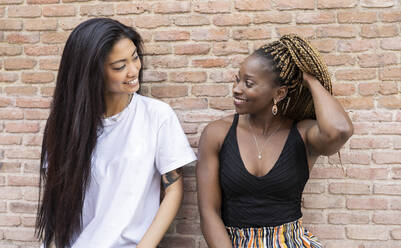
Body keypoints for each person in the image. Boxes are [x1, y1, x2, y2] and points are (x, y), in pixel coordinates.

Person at [35, 18, 196, 248]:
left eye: (135, 57)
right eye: (119, 66)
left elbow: (173, 189)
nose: (133, 70)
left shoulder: (157, 116)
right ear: (91, 72)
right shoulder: (64, 124)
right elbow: (56, 200)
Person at [196, 34, 353, 248]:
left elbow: (340, 130)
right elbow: (208, 212)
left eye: (248, 83)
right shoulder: (217, 134)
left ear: (279, 93)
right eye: (237, 79)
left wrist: (310, 79)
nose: (237, 88)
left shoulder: (302, 134)